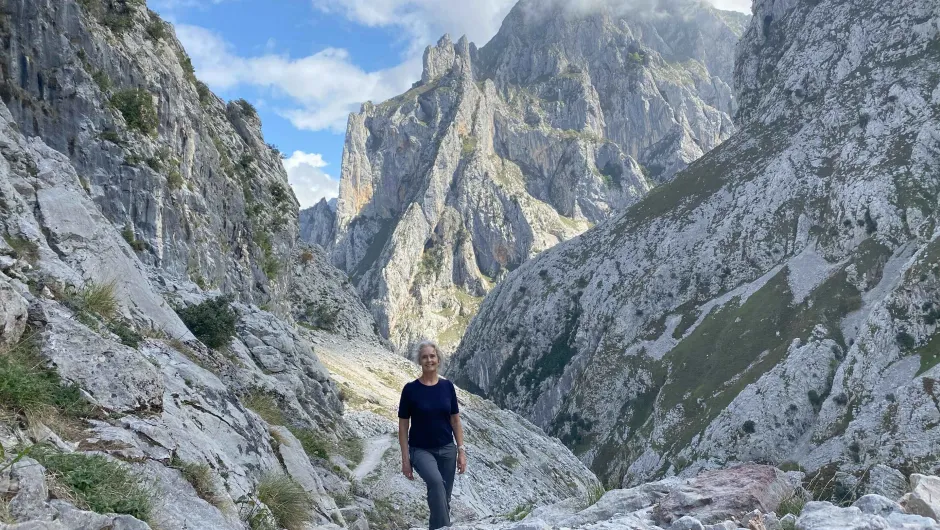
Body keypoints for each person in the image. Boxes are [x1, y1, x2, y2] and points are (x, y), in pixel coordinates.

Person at [398, 341, 467, 530]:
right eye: (425, 357)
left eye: (432, 356)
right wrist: (405, 459)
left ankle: (435, 527)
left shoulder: (447, 387)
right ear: (419, 361)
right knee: (436, 484)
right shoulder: (410, 390)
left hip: (447, 448)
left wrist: (461, 450)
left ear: (438, 359)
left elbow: (455, 420)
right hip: (420, 450)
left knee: (444, 497)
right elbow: (403, 426)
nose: (429, 360)